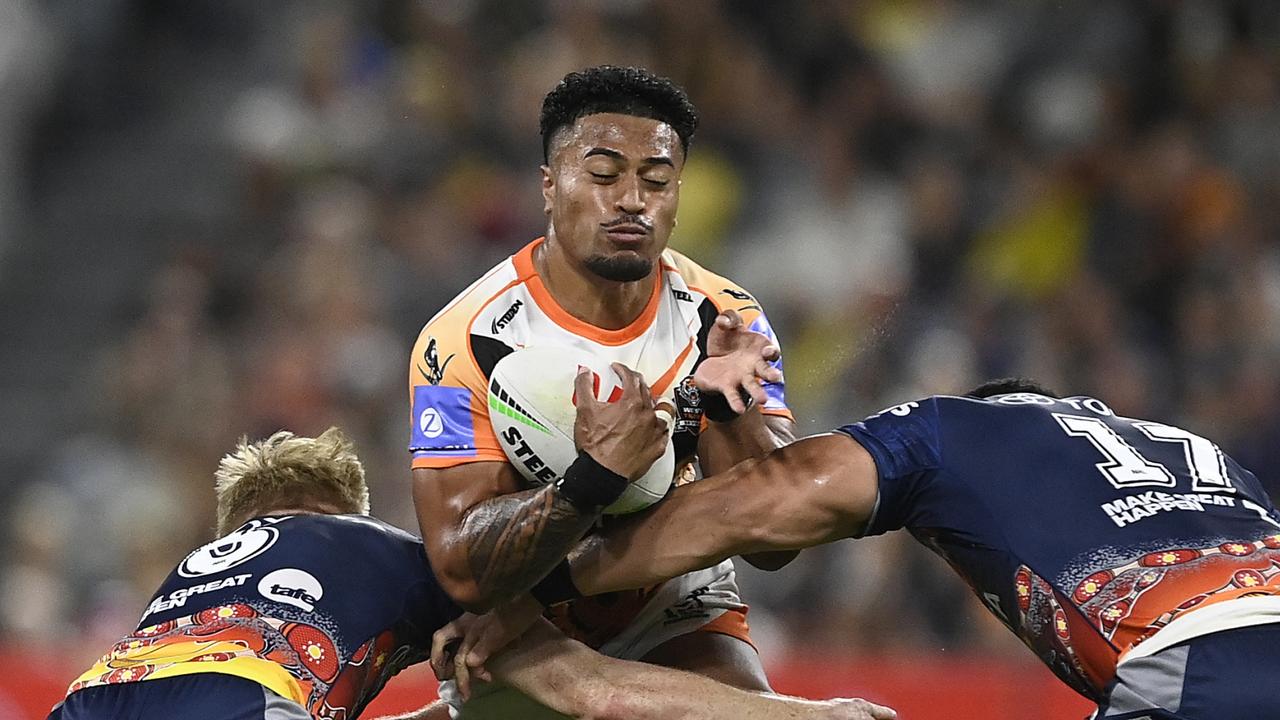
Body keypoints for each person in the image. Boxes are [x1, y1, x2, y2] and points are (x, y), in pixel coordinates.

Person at [439, 379, 1280, 720]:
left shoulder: (958, 429)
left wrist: (544, 590)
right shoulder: (1206, 457)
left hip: (1197, 670)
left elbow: (762, 506)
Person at [407, 65, 797, 717]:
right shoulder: (459, 341)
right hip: (524, 634)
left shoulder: (725, 319)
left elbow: (776, 548)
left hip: (676, 608)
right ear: (550, 187)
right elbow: (462, 569)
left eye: (656, 180)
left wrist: (729, 407)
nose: (632, 201)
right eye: (604, 175)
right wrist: (595, 480)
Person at [46, 427, 897, 720]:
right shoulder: (393, 556)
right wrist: (803, 714)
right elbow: (594, 692)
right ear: (344, 508)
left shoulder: (184, 584)